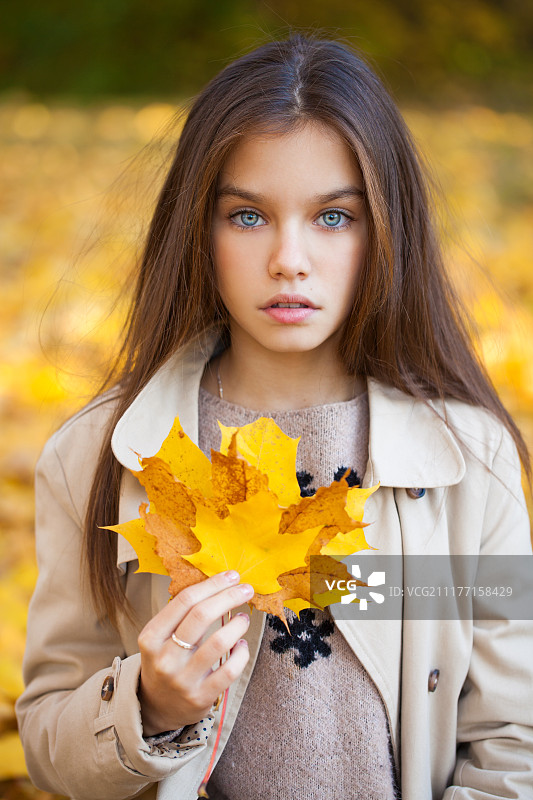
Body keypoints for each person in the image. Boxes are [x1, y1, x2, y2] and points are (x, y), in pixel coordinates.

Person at [16, 34, 533, 800]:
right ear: (198, 227)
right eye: (248, 216)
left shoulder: (464, 460)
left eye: (332, 218)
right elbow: (50, 744)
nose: (288, 258)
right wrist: (148, 708)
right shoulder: (103, 457)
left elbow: (511, 738)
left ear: (387, 228)